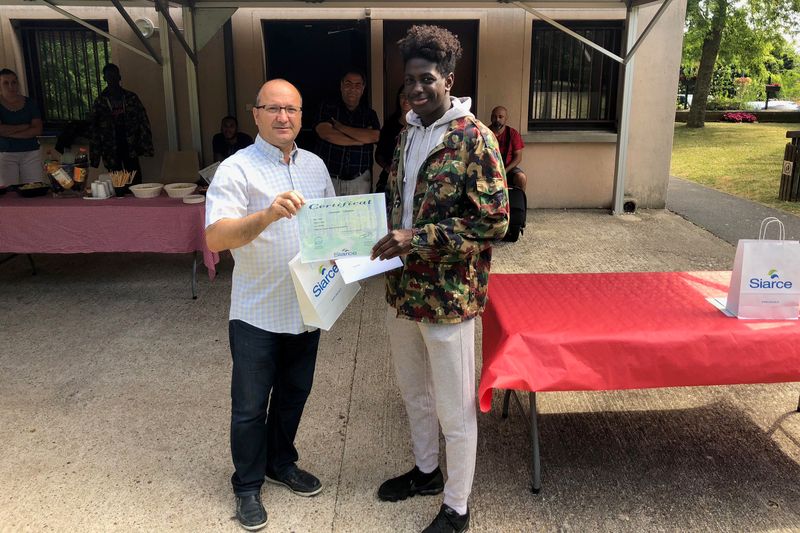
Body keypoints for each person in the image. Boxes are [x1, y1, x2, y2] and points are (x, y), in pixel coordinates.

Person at [370, 25, 509, 533]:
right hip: (402, 291)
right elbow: (397, 203)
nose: (416, 88)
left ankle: (457, 506)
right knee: (415, 392)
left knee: (454, 406)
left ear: (448, 80)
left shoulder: (474, 138)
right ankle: (427, 472)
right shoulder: (407, 133)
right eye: (410, 80)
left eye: (426, 78)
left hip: (448, 297)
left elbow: (494, 222)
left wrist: (417, 238)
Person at [205, 79, 334, 532]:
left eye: (291, 109)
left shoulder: (316, 165)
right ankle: (246, 484)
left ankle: (281, 462)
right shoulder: (236, 169)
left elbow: (331, 229)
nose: (283, 117)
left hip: (306, 307)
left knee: (294, 395)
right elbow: (215, 237)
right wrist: (266, 215)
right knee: (249, 406)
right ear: (255, 114)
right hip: (257, 312)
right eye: (273, 108)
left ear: (301, 116)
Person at [314, 70, 380, 195]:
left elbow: (374, 136)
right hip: (329, 178)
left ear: (363, 88)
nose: (352, 89)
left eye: (357, 85)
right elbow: (327, 134)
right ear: (341, 86)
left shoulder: (369, 114)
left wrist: (341, 127)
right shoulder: (328, 107)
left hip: (360, 180)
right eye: (348, 84)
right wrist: (359, 140)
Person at [89, 63, 153, 185]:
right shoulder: (100, 102)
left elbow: (143, 121)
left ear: (119, 77)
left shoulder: (131, 98)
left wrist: (146, 146)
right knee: (118, 183)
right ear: (104, 78)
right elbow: (94, 129)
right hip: (110, 148)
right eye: (109, 76)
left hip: (130, 145)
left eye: (114, 75)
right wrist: (95, 156)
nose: (112, 79)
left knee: (135, 180)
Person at [0, 68, 43, 187]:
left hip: (31, 152)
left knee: (35, 188)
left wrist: (8, 132)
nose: (11, 86)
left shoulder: (30, 103)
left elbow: (37, 129)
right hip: (5, 154)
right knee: (8, 191)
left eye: (14, 82)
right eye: (6, 83)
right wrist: (24, 126)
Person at [375, 86, 412, 194]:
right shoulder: (390, 124)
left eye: (409, 96)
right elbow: (379, 154)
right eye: (402, 96)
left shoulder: (421, 125)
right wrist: (388, 168)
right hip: (388, 181)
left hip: (411, 182)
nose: (406, 100)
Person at [489, 105, 527, 190]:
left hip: (508, 169)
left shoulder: (513, 134)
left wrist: (505, 171)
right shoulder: (484, 132)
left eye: (500, 117)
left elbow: (518, 157)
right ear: (491, 118)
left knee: (521, 178)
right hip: (489, 169)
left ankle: (519, 199)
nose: (497, 119)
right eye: (494, 117)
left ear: (506, 118)